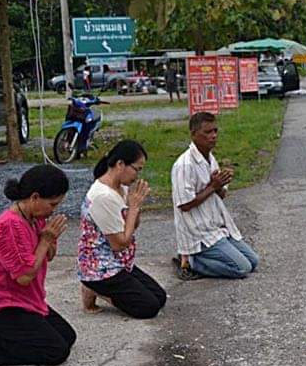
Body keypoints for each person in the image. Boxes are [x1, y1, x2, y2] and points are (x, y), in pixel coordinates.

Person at [0, 165, 74, 366]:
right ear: (35, 197)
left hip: (28, 302)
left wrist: (51, 239)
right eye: (52, 204)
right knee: (56, 352)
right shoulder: (9, 226)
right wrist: (45, 241)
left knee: (67, 336)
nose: (53, 210)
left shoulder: (34, 219)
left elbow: (49, 256)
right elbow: (24, 276)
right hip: (2, 308)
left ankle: (7, 339)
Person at [77, 140, 167, 319]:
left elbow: (133, 226)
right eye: (136, 169)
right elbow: (119, 244)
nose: (137, 175)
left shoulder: (122, 189)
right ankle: (93, 286)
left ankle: (102, 288)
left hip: (120, 262)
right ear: (120, 164)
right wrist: (133, 208)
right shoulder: (103, 196)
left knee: (159, 297)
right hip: (103, 268)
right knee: (148, 308)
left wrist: (136, 206)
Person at [172, 112, 260, 279]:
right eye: (207, 132)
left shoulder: (210, 159)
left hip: (216, 227)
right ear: (193, 134)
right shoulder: (184, 165)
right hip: (199, 232)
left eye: (215, 131)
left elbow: (221, 195)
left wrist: (219, 186)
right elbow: (184, 204)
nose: (213, 136)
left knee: (253, 261)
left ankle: (203, 258)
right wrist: (213, 186)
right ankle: (192, 261)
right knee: (242, 268)